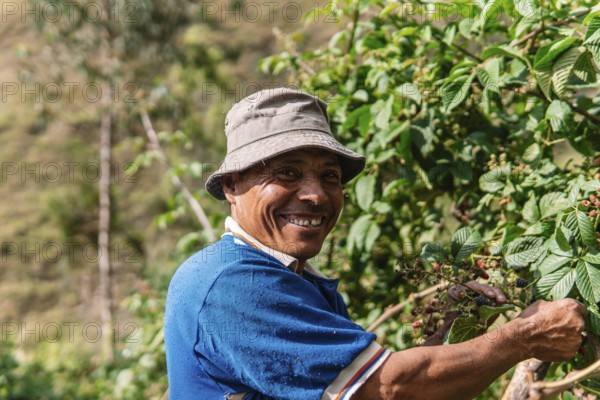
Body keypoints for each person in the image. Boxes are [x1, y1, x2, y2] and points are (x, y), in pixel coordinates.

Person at [164, 88, 586, 400]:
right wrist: (525, 336)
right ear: (233, 185)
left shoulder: (295, 280)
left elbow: (372, 385)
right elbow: (391, 390)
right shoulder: (233, 283)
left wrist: (450, 331)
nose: (315, 194)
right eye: (288, 173)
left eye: (330, 176)